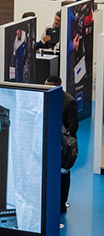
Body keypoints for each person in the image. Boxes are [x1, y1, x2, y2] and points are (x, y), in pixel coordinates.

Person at [47, 75, 78, 214]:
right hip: (51, 144)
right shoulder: (48, 98)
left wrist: (61, 138)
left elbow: (73, 126)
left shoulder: (69, 102)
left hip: (64, 148)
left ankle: (61, 204)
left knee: (63, 174)